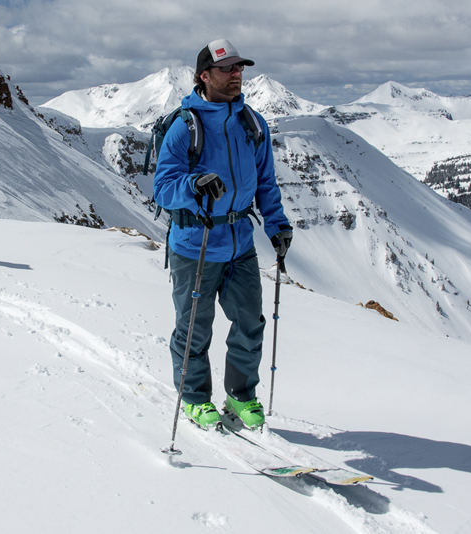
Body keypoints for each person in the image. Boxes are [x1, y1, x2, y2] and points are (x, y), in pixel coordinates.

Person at [153, 39, 293, 431]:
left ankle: (241, 395)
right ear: (205, 76)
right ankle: (196, 398)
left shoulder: (252, 123)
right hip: (193, 245)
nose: (236, 75)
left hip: (239, 244)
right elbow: (162, 187)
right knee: (194, 328)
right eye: (227, 69)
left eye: (239, 69)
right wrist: (194, 184)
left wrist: (278, 225)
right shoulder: (185, 127)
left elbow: (265, 181)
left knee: (250, 322)